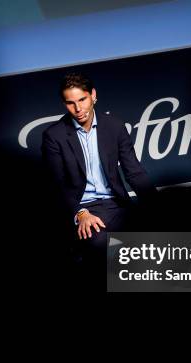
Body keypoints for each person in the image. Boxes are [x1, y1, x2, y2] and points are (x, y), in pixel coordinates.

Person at [41, 72, 155, 266]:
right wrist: (80, 213)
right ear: (64, 104)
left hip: (117, 205)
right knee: (103, 245)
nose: (78, 108)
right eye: (70, 103)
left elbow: (134, 172)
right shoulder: (54, 136)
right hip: (85, 209)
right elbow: (56, 185)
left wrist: (158, 206)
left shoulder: (115, 126)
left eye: (82, 99)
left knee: (159, 235)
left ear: (93, 95)